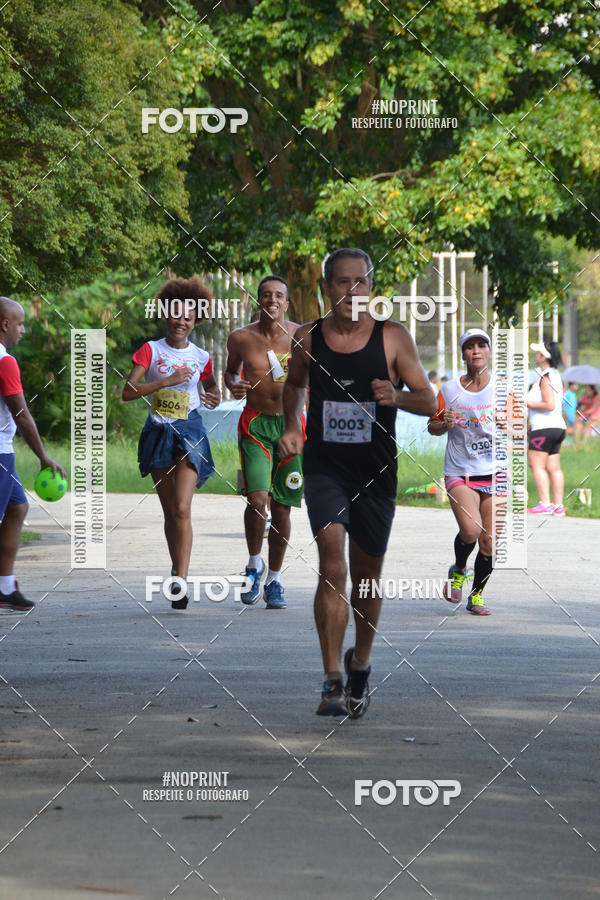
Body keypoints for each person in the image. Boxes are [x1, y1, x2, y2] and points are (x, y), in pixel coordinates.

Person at [279, 248, 436, 718]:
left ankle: (360, 664)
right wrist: (292, 426)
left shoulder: (393, 339)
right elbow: (294, 385)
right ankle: (331, 679)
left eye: (360, 282)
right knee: (333, 567)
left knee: (367, 578)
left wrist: (398, 396)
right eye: (342, 282)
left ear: (371, 288)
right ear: (326, 287)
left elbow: (429, 401)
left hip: (376, 472)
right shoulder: (307, 338)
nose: (352, 291)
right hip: (325, 468)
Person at [122, 277, 219, 609]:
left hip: (190, 429)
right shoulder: (150, 350)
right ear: (166, 314)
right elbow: (127, 392)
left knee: (181, 507)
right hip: (159, 430)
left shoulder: (202, 355)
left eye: (188, 317)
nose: (182, 321)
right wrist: (165, 381)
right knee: (170, 512)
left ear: (196, 321)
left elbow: (210, 390)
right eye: (176, 314)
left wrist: (213, 397)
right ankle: (176, 569)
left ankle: (181, 579)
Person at [224, 275, 302, 609]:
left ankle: (275, 580)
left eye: (279, 295)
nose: (272, 300)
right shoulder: (240, 337)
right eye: (266, 295)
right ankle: (254, 564)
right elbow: (230, 373)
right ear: (258, 301)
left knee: (283, 507)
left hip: (291, 427)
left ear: (287, 302)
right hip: (255, 424)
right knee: (258, 501)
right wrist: (233, 385)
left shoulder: (301, 336)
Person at [428, 328, 506, 617]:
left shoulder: (502, 388)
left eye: (481, 345)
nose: (476, 351)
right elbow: (432, 426)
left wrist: (508, 423)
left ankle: (477, 594)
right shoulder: (449, 391)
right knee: (471, 530)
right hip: (460, 470)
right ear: (463, 353)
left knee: (489, 541)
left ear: (488, 352)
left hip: (496, 471)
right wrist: (443, 424)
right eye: (469, 346)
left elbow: (523, 429)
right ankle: (459, 569)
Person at [0, 297, 66, 611]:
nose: (23, 330)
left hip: (4, 453)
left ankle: (4, 587)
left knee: (18, 507)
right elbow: (22, 415)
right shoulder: (5, 361)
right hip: (0, 454)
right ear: (4, 325)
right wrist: (44, 456)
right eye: (20, 323)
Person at [526, 341, 566, 516]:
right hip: (558, 427)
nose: (536, 356)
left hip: (544, 428)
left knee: (536, 465)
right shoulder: (556, 374)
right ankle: (558, 506)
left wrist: (525, 402)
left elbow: (548, 404)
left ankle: (545, 503)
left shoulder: (545, 377)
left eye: (538, 353)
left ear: (544, 356)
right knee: (554, 467)